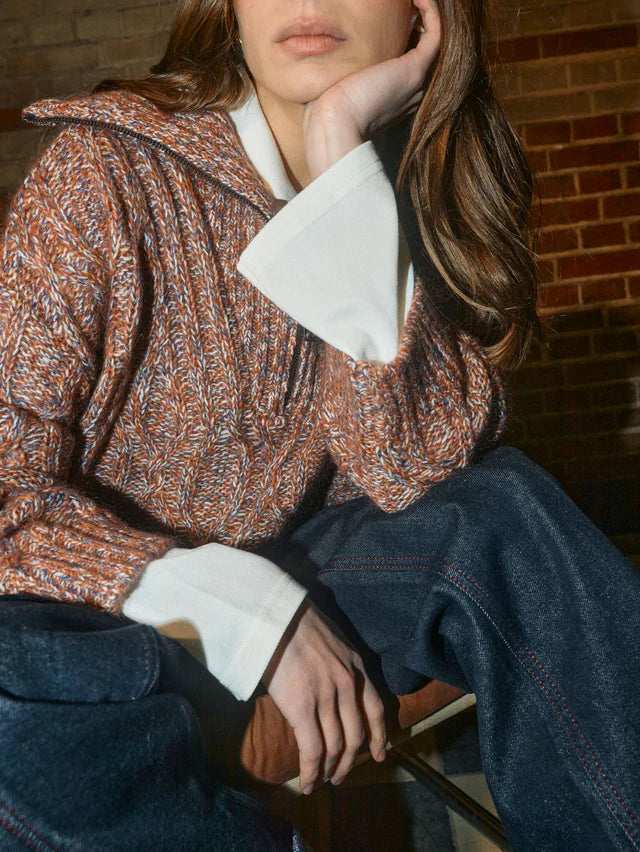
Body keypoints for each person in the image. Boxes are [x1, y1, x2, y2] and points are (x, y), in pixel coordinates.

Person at [1, 0, 638, 849]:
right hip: (101, 619)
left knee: (506, 512)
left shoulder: (419, 188)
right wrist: (245, 614)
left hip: (317, 574)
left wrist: (340, 165)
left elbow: (415, 475)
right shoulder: (105, 173)